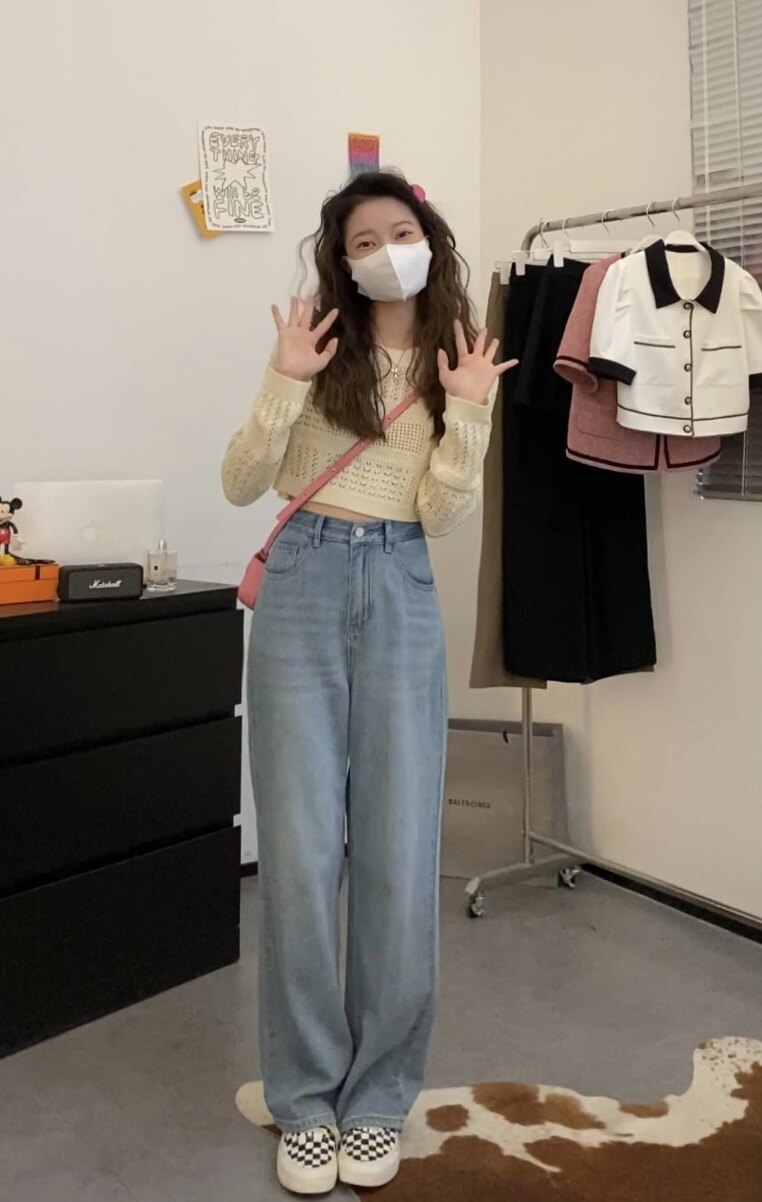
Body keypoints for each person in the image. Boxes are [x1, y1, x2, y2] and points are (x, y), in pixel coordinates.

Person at [221, 170, 516, 1196]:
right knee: (301, 854)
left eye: (401, 230)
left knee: (398, 848)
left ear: (428, 237)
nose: (387, 250)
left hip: (399, 581)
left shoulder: (455, 360)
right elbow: (240, 480)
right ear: (341, 262)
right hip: (302, 581)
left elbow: (442, 515)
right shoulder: (319, 347)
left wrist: (468, 412)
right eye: (363, 240)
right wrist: (283, 377)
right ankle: (306, 1100)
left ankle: (379, 1095)